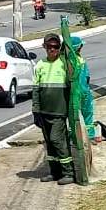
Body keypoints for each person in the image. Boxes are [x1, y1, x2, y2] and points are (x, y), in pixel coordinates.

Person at [32, 34, 74, 185]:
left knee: (57, 140)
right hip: (44, 112)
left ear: (59, 48)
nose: (52, 49)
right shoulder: (40, 65)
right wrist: (35, 110)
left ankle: (68, 172)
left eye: (55, 46)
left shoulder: (64, 64)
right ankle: (54, 172)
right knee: (49, 142)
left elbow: (76, 74)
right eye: (49, 46)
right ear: (44, 47)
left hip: (59, 112)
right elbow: (36, 89)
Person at [66, 35, 102, 146]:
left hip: (73, 93)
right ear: (78, 47)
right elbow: (86, 77)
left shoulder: (67, 60)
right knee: (87, 115)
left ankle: (74, 138)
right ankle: (89, 137)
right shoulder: (79, 60)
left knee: (74, 116)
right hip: (83, 92)